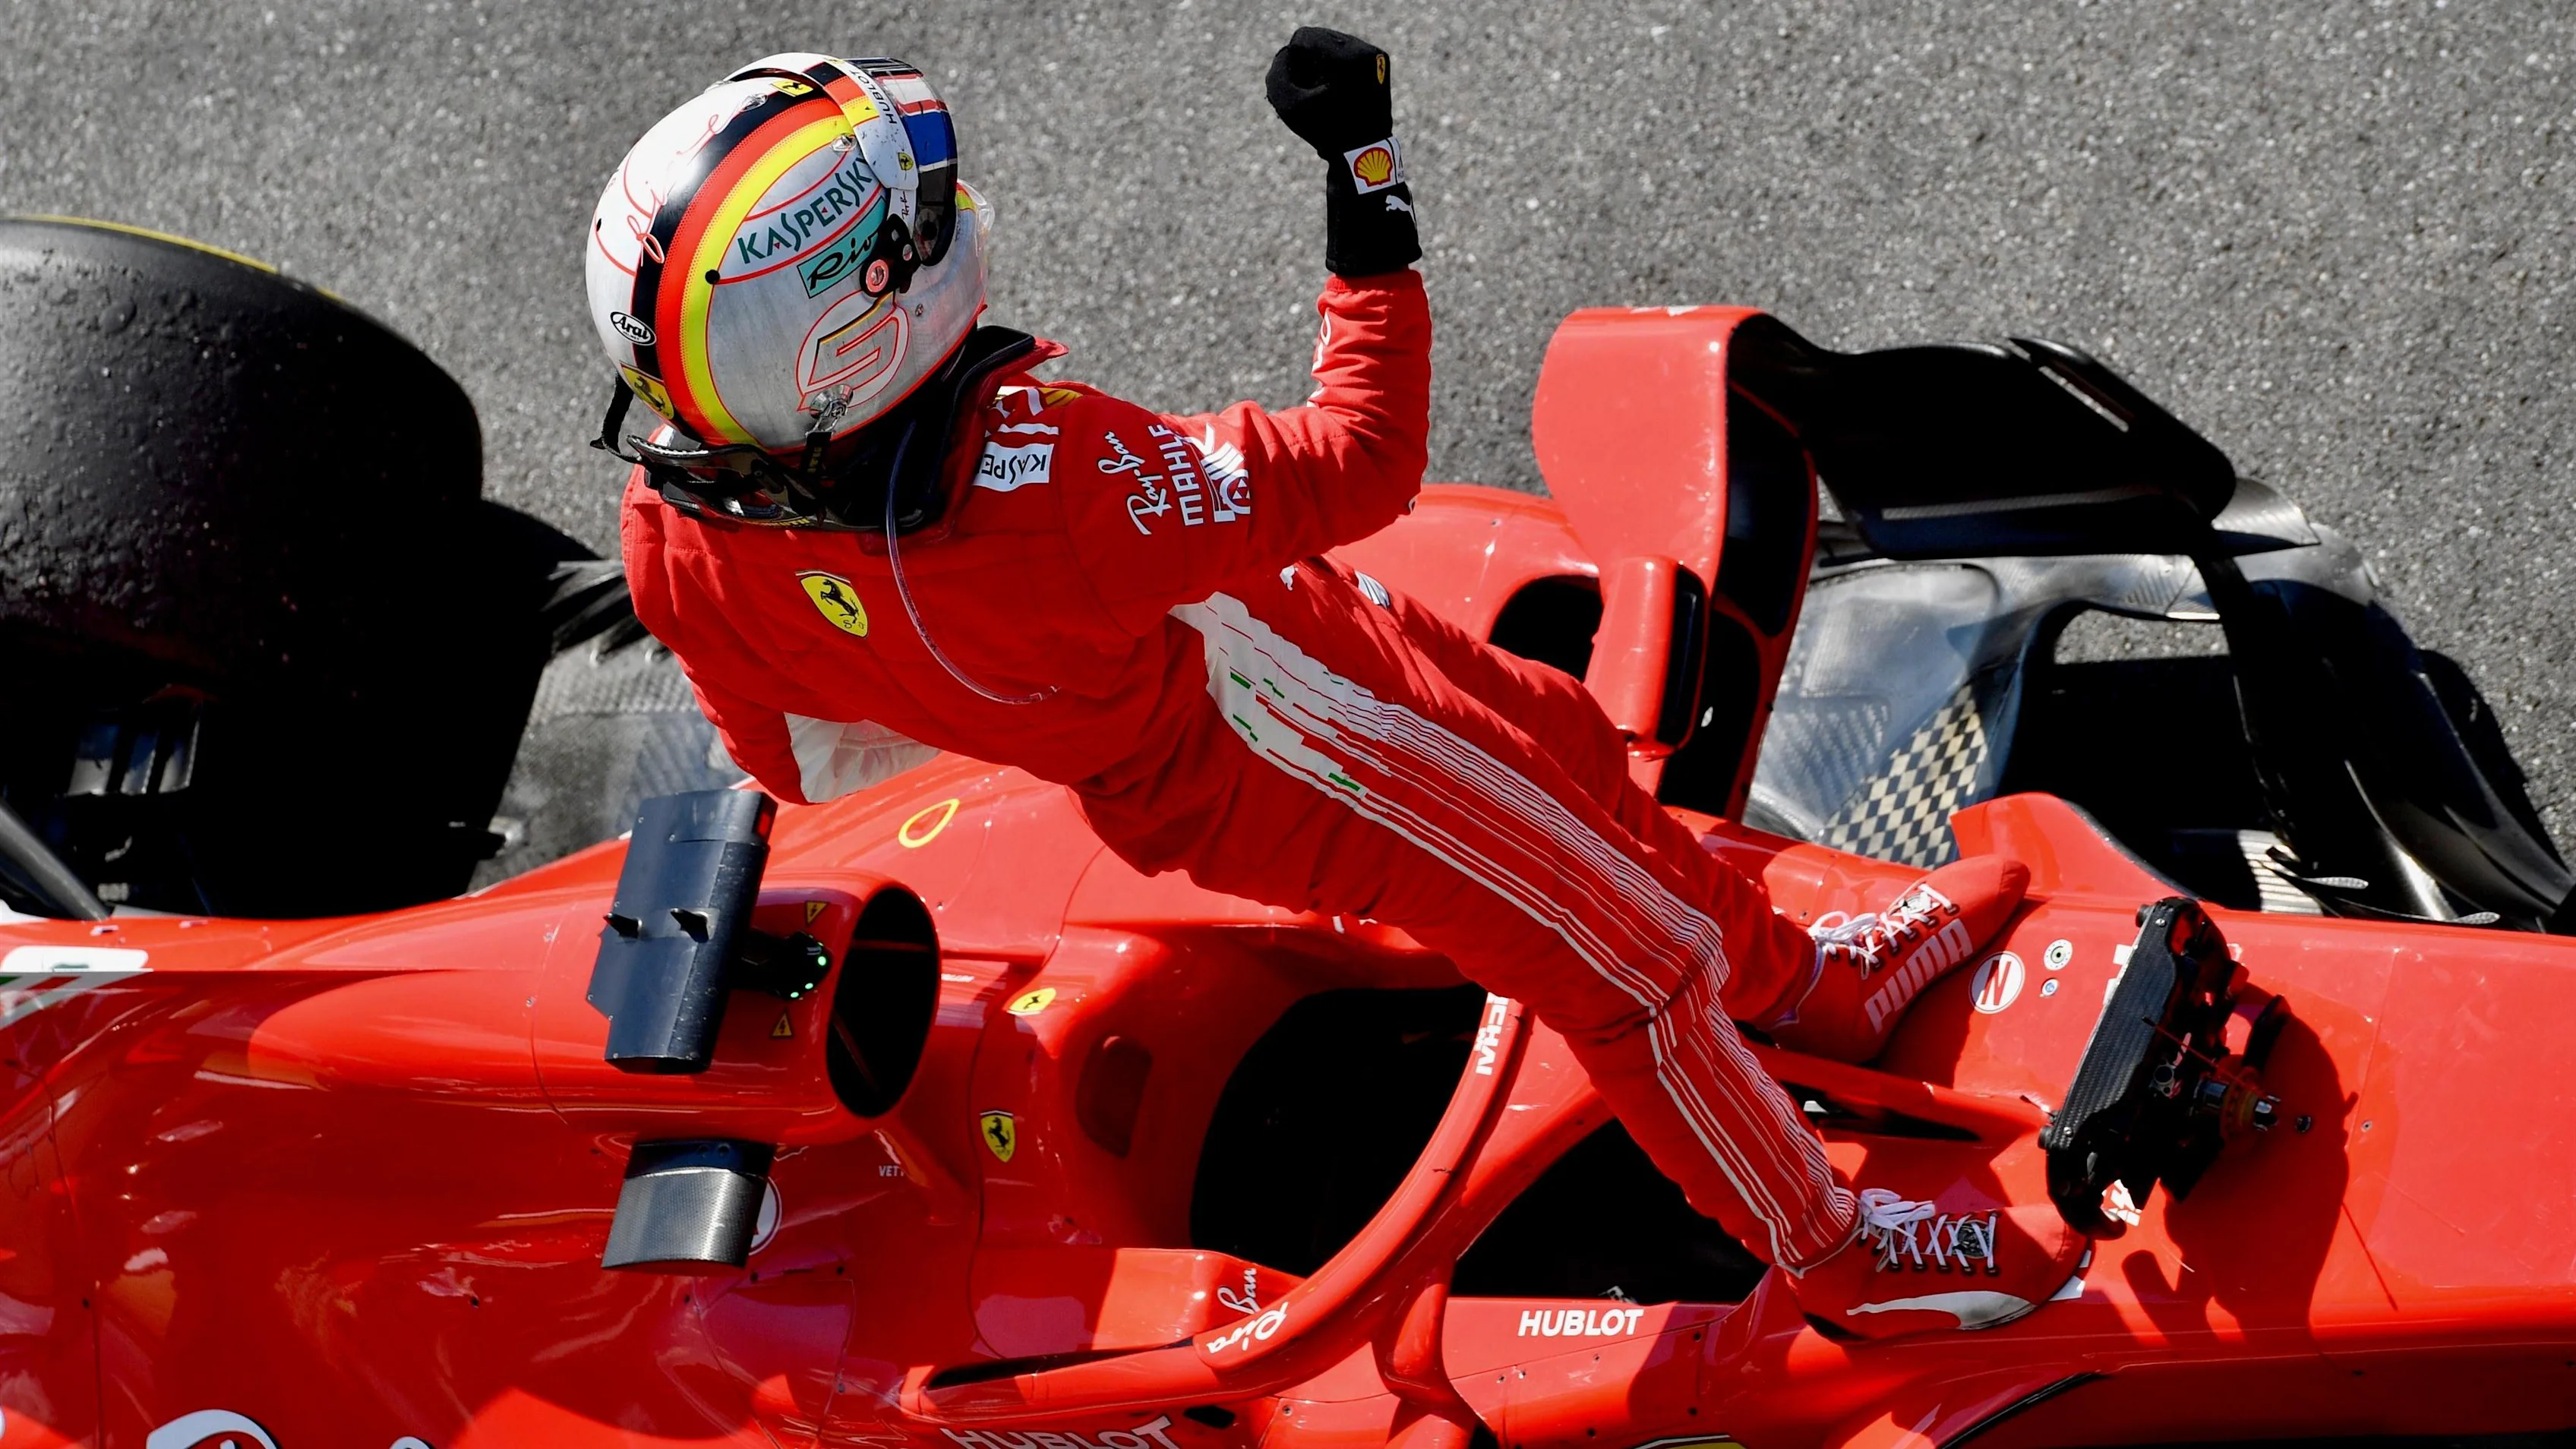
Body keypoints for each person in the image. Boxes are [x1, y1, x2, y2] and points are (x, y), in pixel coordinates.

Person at [589, 33, 2086, 1337]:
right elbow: (1366, 451)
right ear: (864, 322)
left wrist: (1018, 687)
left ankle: (1806, 981)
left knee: (1564, 742)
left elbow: (801, 763)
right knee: (1630, 972)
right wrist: (1362, 167)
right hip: (1305, 737)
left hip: (1236, 700)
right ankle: (1833, 1252)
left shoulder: (671, 539)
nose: (949, 225)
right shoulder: (1056, 490)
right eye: (912, 234)